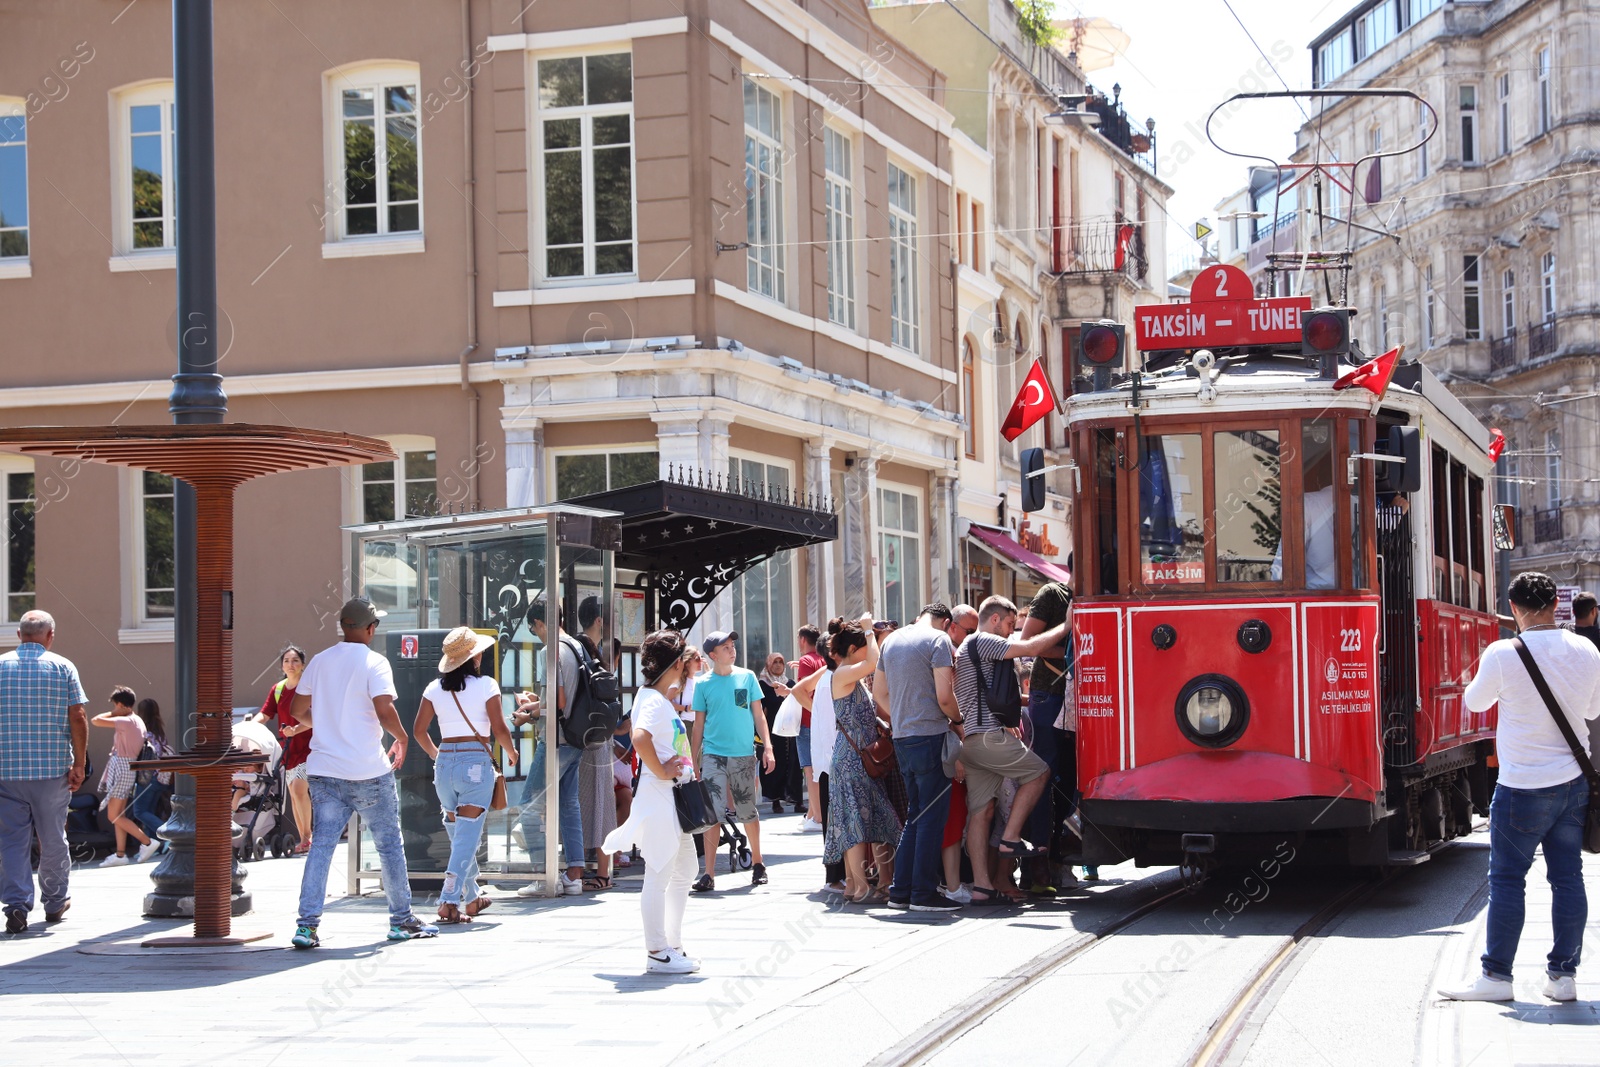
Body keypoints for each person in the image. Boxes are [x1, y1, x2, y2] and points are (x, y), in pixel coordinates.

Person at [1440, 571, 1600, 1003]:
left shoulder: (1502, 653)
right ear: (1555, 606)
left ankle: (1497, 978)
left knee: (1508, 880)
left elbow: (1474, 702)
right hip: (1573, 784)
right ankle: (1563, 977)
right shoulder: (1585, 649)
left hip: (1522, 786)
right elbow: (1593, 708)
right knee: (1568, 879)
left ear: (1513, 609)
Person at [289, 596, 437, 947]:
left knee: (322, 847)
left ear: (344, 627)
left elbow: (297, 709)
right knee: (389, 844)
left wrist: (324, 724)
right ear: (370, 629)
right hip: (368, 770)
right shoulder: (375, 662)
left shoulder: (320, 661)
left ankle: (306, 926)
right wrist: (402, 738)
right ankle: (401, 920)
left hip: (325, 770)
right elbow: (385, 711)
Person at [956, 596, 1070, 905]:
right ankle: (1010, 838)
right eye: (1008, 624)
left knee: (981, 813)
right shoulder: (985, 641)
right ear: (994, 620)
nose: (1010, 631)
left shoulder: (968, 647)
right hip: (990, 738)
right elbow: (1032, 648)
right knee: (1039, 772)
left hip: (971, 743)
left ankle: (981, 886)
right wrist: (1067, 625)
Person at [603, 629, 701, 974]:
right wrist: (661, 770)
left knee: (685, 869)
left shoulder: (654, 697)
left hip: (670, 799)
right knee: (659, 874)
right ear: (677, 664)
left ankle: (671, 945)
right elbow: (640, 736)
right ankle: (658, 951)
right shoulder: (655, 702)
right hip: (661, 797)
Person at [414, 626, 517, 925]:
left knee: (460, 835)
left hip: (444, 765)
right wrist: (511, 753)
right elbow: (499, 728)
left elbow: (419, 731)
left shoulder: (434, 689)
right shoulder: (486, 685)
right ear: (474, 656)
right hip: (475, 763)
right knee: (467, 837)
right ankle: (448, 900)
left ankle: (471, 896)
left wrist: (437, 755)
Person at [0, 611, 88, 935]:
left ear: (19, 635)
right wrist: (79, 763)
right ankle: (54, 901)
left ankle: (16, 904)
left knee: (11, 840)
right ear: (50, 635)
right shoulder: (63, 667)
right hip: (52, 771)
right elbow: (78, 716)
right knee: (52, 837)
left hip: (6, 770)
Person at [873, 602, 962, 912]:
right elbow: (944, 696)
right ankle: (923, 893)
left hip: (903, 738)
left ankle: (901, 892)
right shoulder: (938, 640)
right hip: (930, 735)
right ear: (947, 622)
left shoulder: (892, 640)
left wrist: (900, 717)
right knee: (931, 818)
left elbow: (879, 694)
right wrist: (959, 721)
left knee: (915, 815)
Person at [820, 616, 901, 903]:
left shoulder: (847, 674)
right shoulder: (842, 673)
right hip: (852, 760)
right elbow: (872, 664)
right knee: (853, 823)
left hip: (857, 759)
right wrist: (869, 630)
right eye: (866, 644)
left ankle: (860, 884)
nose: (871, 647)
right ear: (855, 648)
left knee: (869, 820)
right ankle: (861, 886)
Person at [513, 595, 587, 898]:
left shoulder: (551, 650)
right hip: (577, 736)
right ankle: (574, 875)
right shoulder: (577, 645)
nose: (537, 634)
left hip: (555, 738)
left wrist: (528, 713)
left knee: (529, 804)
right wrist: (538, 704)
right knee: (569, 804)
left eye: (535, 629)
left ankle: (542, 874)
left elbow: (556, 704)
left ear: (541, 623)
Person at [691, 631, 776, 891]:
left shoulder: (747, 677)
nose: (732, 650)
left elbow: (759, 716)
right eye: (725, 647)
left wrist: (768, 748)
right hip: (714, 755)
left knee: (747, 810)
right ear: (713, 655)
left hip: (742, 755)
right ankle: (708, 874)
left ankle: (759, 863)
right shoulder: (703, 684)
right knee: (712, 814)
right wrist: (694, 761)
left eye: (732, 646)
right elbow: (698, 725)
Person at [1017, 579, 1077, 891]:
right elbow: (1028, 641)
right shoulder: (1052, 594)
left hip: (1074, 698)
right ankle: (1036, 864)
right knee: (1042, 778)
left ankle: (1057, 859)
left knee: (1069, 780)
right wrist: (1074, 649)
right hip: (1049, 694)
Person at [792, 643, 846, 894]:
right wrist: (821, 713)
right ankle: (835, 876)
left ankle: (838, 875)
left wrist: (820, 713)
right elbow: (799, 690)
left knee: (834, 816)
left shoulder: (829, 674)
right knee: (834, 817)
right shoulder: (829, 675)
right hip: (832, 758)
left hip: (829, 757)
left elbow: (799, 689)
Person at [252, 645, 313, 853]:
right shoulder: (278, 689)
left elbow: (317, 717)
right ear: (282, 665)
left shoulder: (309, 687)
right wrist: (252, 725)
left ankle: (307, 837)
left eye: (295, 660)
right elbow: (265, 713)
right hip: (287, 748)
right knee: (294, 795)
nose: (291, 664)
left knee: (298, 789)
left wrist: (296, 730)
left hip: (310, 747)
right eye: (286, 660)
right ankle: (304, 838)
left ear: (303, 664)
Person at [92, 686, 158, 866]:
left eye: (116, 705)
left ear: (121, 705)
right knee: (118, 814)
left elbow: (96, 720)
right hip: (126, 767)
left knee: (113, 815)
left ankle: (147, 842)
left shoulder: (127, 720)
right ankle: (120, 855)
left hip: (121, 766)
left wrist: (114, 713)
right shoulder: (136, 720)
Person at [126, 697, 173, 847]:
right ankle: (158, 844)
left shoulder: (144, 734)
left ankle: (170, 836)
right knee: (150, 812)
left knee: (139, 811)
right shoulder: (159, 733)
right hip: (161, 778)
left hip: (147, 778)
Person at [758, 652, 800, 813]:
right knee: (776, 764)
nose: (777, 665)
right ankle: (775, 800)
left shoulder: (789, 683)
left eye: (780, 662)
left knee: (794, 764)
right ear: (768, 664)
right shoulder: (763, 684)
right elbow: (761, 709)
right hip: (772, 731)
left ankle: (795, 799)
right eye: (774, 662)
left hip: (791, 730)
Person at [793, 625, 826, 831]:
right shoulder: (823, 660)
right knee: (818, 769)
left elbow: (803, 691)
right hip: (820, 722)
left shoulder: (806, 661)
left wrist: (786, 691)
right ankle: (812, 814)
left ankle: (818, 818)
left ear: (803, 640)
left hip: (808, 721)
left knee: (810, 769)